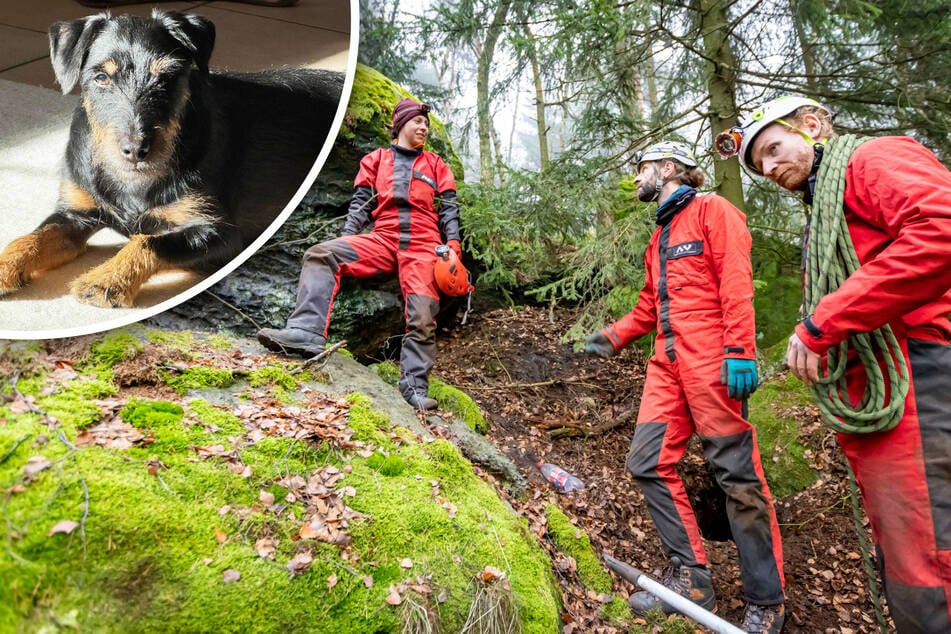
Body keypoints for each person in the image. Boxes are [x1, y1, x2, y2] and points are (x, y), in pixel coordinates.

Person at [725, 95, 951, 633]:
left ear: (811, 125)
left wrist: (824, 321)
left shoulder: (871, 159)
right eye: (759, 165)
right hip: (884, 390)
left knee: (926, 551)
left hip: (917, 374)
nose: (769, 168)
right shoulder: (828, 200)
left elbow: (942, 228)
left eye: (773, 149)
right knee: (903, 544)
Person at [585, 141, 785, 632]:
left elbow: (735, 282)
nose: (636, 178)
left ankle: (767, 600)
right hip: (667, 364)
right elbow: (647, 307)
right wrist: (613, 336)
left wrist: (740, 350)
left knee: (736, 476)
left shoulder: (714, 211)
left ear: (668, 168)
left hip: (713, 360)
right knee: (647, 462)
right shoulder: (659, 237)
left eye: (642, 169)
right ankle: (692, 579)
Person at [258, 98, 461, 411]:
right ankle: (306, 331)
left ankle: (414, 388)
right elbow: (360, 205)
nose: (424, 128)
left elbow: (449, 210)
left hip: (423, 246)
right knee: (321, 254)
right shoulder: (375, 160)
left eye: (426, 124)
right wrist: (348, 238)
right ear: (401, 124)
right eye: (418, 122)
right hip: (383, 238)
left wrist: (454, 249)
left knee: (422, 315)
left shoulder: (436, 165)